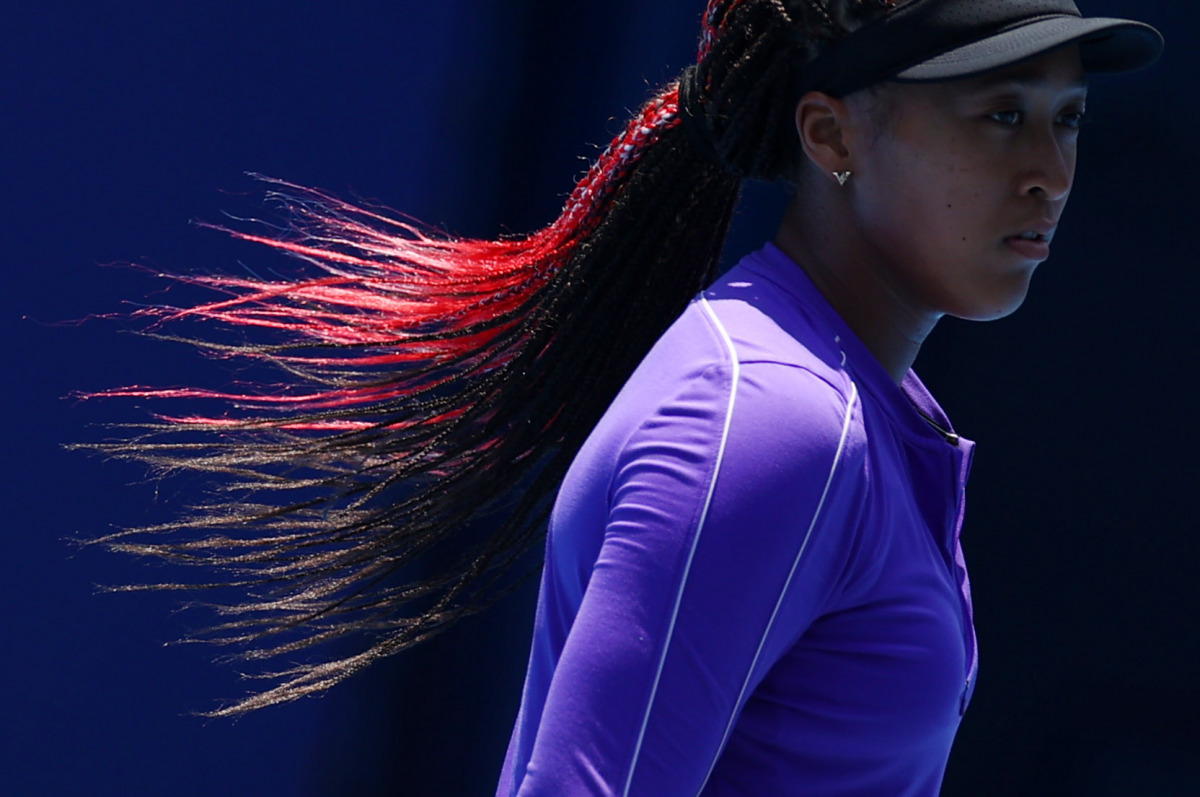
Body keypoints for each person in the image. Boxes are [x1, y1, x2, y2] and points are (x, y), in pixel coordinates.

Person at [89, 0, 1161, 794]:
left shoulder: (850, 412)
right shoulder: (776, 426)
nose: (1049, 172)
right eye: (1001, 114)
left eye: (1066, 119)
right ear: (830, 135)